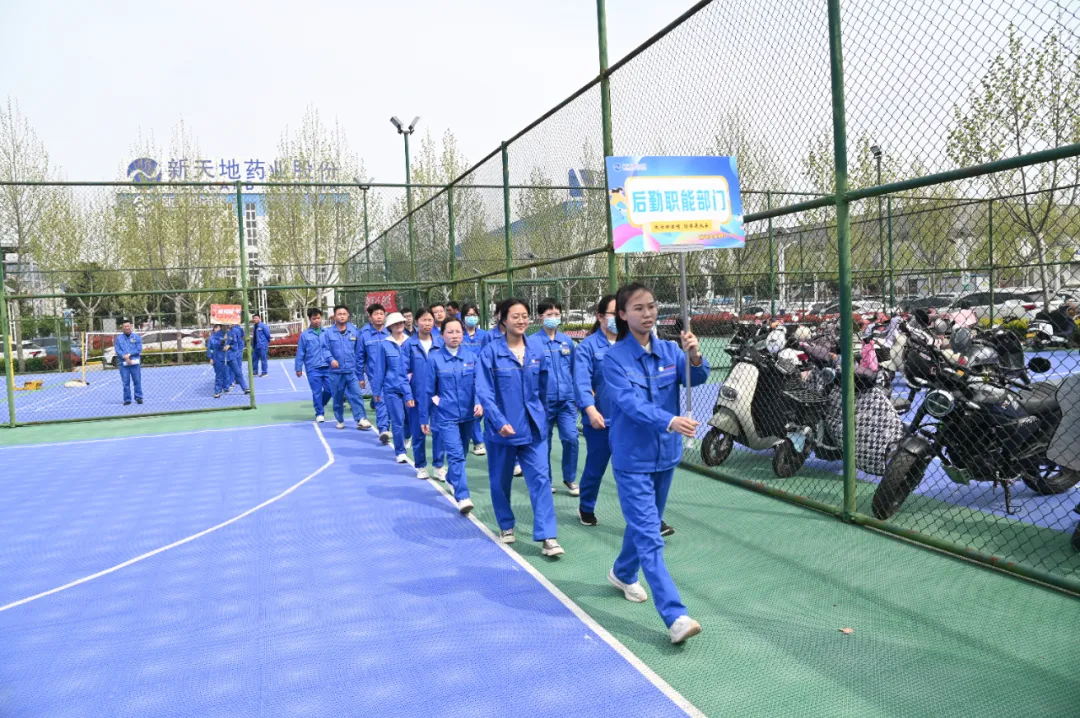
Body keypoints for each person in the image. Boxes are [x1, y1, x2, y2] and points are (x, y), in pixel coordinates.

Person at [603, 283, 709, 644]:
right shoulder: (614, 359)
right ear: (622, 314)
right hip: (632, 458)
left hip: (665, 456)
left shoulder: (669, 350)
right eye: (638, 308)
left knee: (642, 525)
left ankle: (622, 572)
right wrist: (670, 420)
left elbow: (697, 378)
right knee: (650, 536)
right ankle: (675, 616)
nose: (647, 313)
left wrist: (694, 355)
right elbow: (630, 404)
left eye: (651, 306)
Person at [476, 297, 563, 557]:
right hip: (502, 431)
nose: (521, 320)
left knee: (541, 480)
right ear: (502, 319)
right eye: (515, 316)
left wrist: (542, 416)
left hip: (534, 429)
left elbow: (543, 388)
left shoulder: (536, 350)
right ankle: (506, 524)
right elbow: (484, 391)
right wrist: (498, 421)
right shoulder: (491, 352)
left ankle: (548, 536)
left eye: (525, 315)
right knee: (500, 481)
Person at [421, 315, 483, 513]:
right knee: (456, 456)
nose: (455, 335)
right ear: (442, 335)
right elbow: (428, 391)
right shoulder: (435, 359)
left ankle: (450, 478)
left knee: (462, 453)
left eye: (458, 331)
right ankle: (462, 496)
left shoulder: (472, 358)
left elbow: (479, 385)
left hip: (468, 416)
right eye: (450, 332)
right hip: (445, 416)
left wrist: (479, 402)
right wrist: (424, 417)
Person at [573, 294, 618, 526]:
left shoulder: (631, 344)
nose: (619, 318)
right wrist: (590, 411)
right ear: (600, 317)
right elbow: (581, 383)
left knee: (636, 471)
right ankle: (586, 506)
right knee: (595, 467)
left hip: (628, 421)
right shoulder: (587, 347)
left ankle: (650, 517)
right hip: (600, 420)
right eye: (613, 313)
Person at [529, 298, 579, 496]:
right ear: (540, 317)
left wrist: (576, 397)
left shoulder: (567, 341)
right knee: (544, 442)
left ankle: (570, 478)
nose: (553, 317)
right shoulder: (532, 342)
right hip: (543, 403)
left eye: (557, 314)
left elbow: (574, 370)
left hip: (566, 401)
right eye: (549, 314)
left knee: (571, 438)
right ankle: (546, 480)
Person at [403, 308, 446, 480]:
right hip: (417, 395)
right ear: (416, 322)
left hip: (437, 396)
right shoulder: (409, 345)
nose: (427, 323)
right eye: (423, 320)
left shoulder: (440, 343)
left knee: (439, 431)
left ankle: (439, 466)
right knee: (418, 432)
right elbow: (403, 373)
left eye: (430, 320)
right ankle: (421, 466)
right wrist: (408, 395)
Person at [370, 312, 412, 461]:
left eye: (401, 322)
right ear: (390, 327)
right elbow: (379, 369)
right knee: (397, 420)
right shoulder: (384, 345)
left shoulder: (411, 343)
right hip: (391, 388)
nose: (399, 325)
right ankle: (400, 451)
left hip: (410, 389)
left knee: (410, 419)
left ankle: (407, 437)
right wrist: (377, 391)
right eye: (395, 323)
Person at [324, 305, 367, 429]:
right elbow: (325, 349)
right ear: (334, 316)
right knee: (337, 398)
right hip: (336, 372)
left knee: (356, 395)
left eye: (344, 314)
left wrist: (361, 366)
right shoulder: (328, 333)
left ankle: (361, 419)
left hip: (351, 371)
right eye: (339, 314)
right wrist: (331, 359)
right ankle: (339, 419)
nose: (342, 316)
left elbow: (359, 351)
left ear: (348, 316)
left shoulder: (354, 331)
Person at [295, 308, 332, 422]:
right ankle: (319, 413)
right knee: (316, 392)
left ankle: (321, 403)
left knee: (330, 389)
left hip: (327, 366)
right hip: (313, 368)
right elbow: (301, 352)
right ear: (310, 319)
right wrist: (298, 368)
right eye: (314, 318)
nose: (317, 320)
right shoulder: (305, 335)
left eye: (319, 318)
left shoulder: (327, 332)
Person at [460, 302, 488, 456]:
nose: (472, 318)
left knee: (481, 408)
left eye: (474, 315)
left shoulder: (484, 335)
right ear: (463, 317)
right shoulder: (459, 334)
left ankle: (471, 432)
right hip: (464, 377)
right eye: (469, 315)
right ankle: (478, 442)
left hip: (482, 375)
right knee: (473, 409)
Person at [357, 303, 389, 432]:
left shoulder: (391, 333)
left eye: (381, 314)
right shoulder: (364, 335)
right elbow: (359, 357)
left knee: (393, 402)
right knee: (380, 401)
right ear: (370, 317)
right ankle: (384, 429)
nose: (379, 317)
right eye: (376, 314)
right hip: (374, 375)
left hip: (392, 374)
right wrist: (360, 377)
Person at [115, 321, 143, 405]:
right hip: (123, 364)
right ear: (122, 328)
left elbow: (139, 348)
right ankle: (127, 399)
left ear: (130, 326)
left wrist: (129, 355)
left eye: (128, 326)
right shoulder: (118, 339)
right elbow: (117, 349)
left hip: (135, 363)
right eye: (125, 326)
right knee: (125, 382)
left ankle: (138, 397)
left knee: (137, 381)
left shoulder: (137, 337)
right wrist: (124, 356)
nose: (127, 328)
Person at [207, 324, 231, 398]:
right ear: (214, 329)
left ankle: (226, 387)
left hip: (225, 357)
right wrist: (210, 358)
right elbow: (210, 348)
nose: (218, 329)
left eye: (219, 328)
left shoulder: (226, 335)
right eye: (216, 328)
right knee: (219, 375)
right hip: (216, 358)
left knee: (226, 373)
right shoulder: (212, 338)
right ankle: (217, 391)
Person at [227, 323, 250, 394]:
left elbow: (236, 343)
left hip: (234, 354)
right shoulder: (221, 333)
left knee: (236, 369)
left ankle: (243, 387)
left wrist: (230, 346)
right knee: (226, 371)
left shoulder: (236, 330)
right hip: (225, 356)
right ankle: (226, 385)